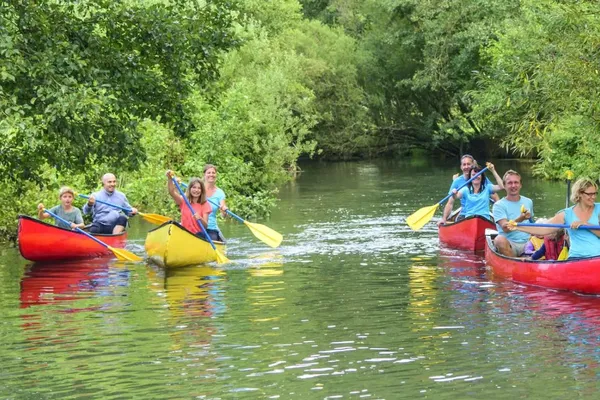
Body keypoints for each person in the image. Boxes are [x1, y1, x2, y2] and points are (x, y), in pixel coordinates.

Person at [509, 178, 600, 259]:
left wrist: (585, 224)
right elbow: (543, 229)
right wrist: (517, 227)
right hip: (576, 258)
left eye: (595, 193)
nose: (593, 197)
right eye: (589, 194)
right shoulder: (566, 214)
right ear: (579, 193)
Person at [439, 154, 499, 225]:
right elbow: (450, 203)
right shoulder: (457, 181)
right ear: (461, 167)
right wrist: (444, 218)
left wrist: (500, 216)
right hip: (465, 214)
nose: (466, 167)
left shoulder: (481, 178)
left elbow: (495, 197)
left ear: (473, 165)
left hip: (482, 214)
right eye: (464, 165)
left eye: (468, 164)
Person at [492, 170, 534, 257]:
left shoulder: (528, 201)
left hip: (528, 243)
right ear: (504, 185)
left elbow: (532, 223)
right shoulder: (498, 205)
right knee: (499, 240)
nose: (513, 185)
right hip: (509, 244)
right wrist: (521, 218)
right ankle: (515, 263)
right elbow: (505, 228)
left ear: (520, 185)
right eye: (510, 183)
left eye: (516, 182)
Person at [166, 170, 212, 237]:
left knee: (200, 234)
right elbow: (171, 192)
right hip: (185, 233)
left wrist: (200, 218)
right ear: (190, 189)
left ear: (202, 191)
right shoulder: (183, 200)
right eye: (194, 187)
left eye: (199, 188)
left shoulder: (205, 204)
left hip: (198, 235)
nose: (196, 190)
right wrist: (170, 179)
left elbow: (205, 226)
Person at [203, 164, 228, 241]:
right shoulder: (197, 189)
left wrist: (224, 211)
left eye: (213, 173)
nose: (211, 175)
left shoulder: (220, 193)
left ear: (216, 175)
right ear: (204, 175)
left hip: (211, 227)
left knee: (224, 242)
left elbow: (223, 215)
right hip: (196, 225)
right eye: (209, 172)